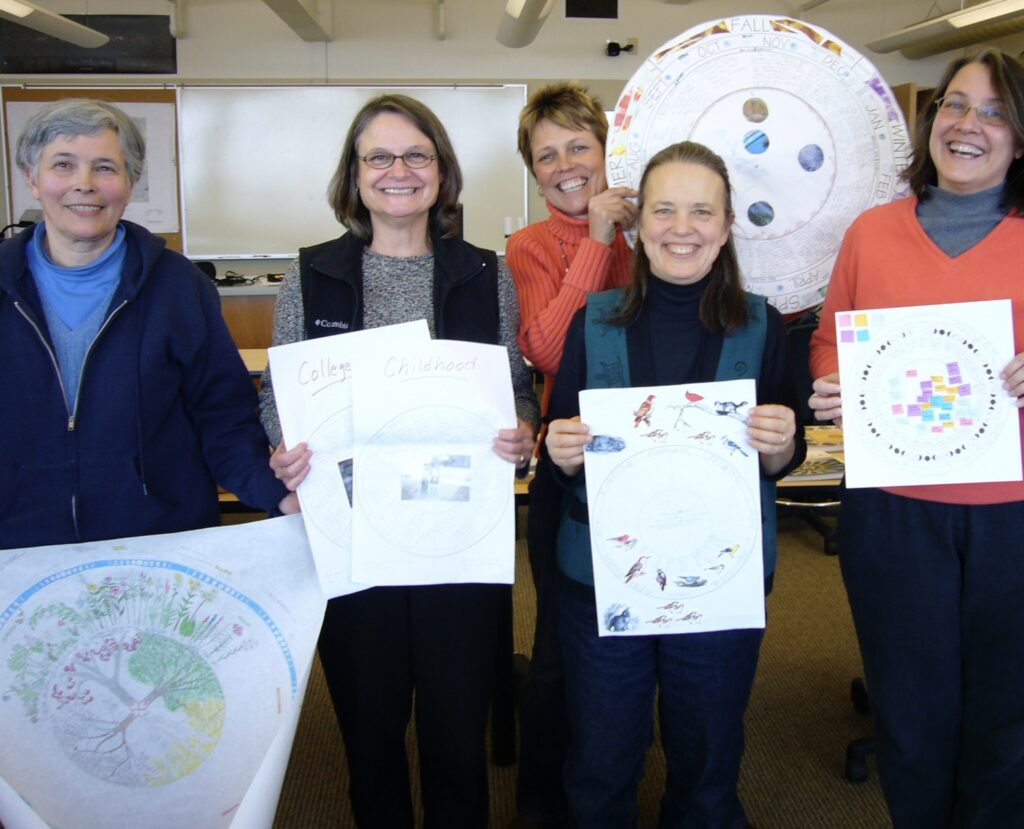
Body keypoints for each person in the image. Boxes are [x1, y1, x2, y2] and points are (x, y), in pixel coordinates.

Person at [259, 93, 540, 829]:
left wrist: (523, 430)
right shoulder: (312, 275)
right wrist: (282, 451)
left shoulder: (486, 274)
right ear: (354, 177)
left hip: (456, 542)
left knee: (456, 740)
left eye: (417, 154)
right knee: (371, 738)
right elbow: (277, 393)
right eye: (378, 156)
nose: (398, 170)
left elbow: (514, 387)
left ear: (442, 174)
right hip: (352, 543)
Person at [545, 141, 805, 828]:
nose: (681, 227)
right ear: (637, 226)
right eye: (663, 209)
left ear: (724, 227)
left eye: (701, 211)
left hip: (718, 578)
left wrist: (781, 445)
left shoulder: (763, 324)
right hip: (605, 580)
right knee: (601, 760)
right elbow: (557, 443)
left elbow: (784, 449)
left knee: (709, 759)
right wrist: (561, 448)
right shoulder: (593, 321)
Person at [809, 49, 1024, 827]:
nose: (970, 125)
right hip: (894, 510)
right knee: (909, 709)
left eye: (996, 111)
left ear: (1021, 135)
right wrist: (834, 382)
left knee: (1009, 716)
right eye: (956, 105)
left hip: (1014, 514)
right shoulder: (872, 232)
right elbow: (831, 338)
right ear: (931, 120)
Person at [0, 98, 293, 550]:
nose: (84, 185)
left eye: (104, 168)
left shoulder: (180, 287)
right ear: (31, 178)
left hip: (161, 546)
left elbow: (222, 418)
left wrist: (279, 496)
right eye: (63, 164)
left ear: (130, 182)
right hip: (21, 550)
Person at [505, 81, 636, 829]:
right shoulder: (531, 245)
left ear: (606, 145)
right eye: (545, 155)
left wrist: (630, 231)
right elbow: (548, 348)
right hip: (573, 457)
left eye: (577, 146)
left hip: (655, 448)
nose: (564, 166)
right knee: (560, 641)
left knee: (654, 626)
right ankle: (543, 803)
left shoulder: (658, 219)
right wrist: (597, 242)